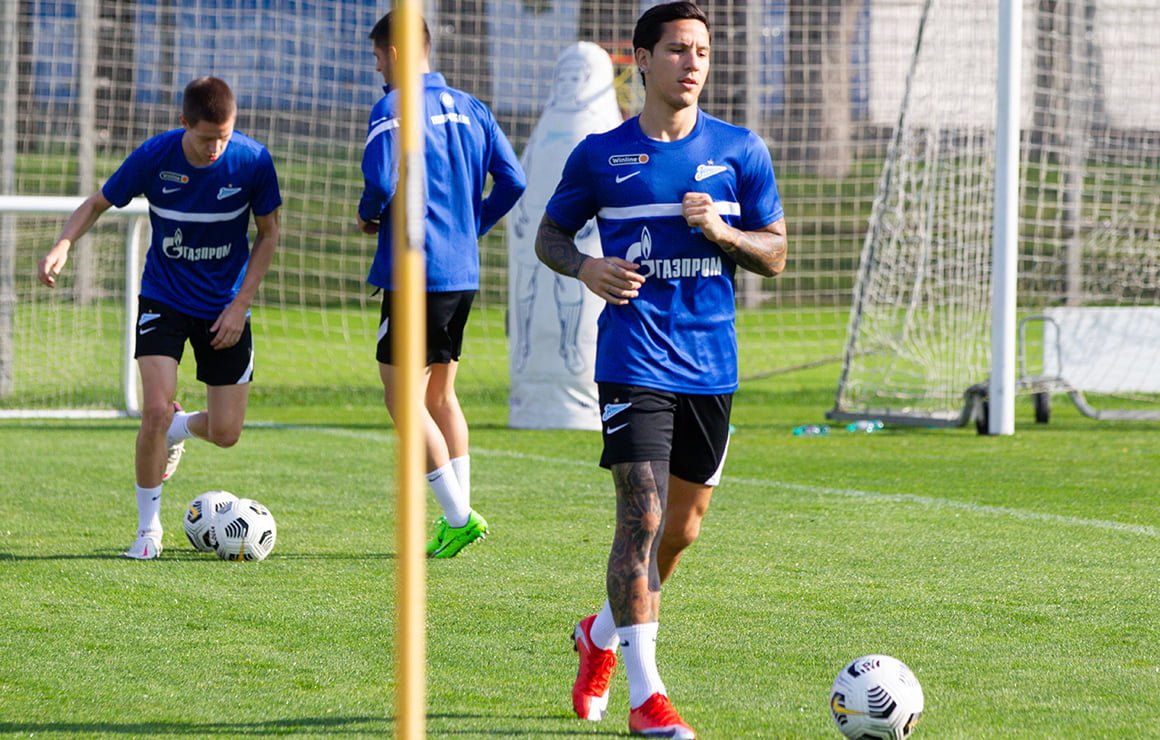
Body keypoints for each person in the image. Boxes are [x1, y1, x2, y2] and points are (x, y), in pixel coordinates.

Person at [535, 3, 787, 737]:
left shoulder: (740, 150)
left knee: (680, 531)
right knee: (640, 516)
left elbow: (775, 253)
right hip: (633, 358)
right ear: (642, 60)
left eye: (701, 51)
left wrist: (722, 231)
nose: (692, 63)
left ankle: (599, 635)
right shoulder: (601, 154)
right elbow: (550, 234)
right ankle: (648, 698)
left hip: (711, 366)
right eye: (678, 50)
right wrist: (586, 266)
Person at [37, 76, 282, 560]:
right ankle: (148, 531)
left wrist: (240, 306)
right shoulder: (155, 157)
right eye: (206, 137)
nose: (215, 148)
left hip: (224, 308)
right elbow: (97, 203)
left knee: (227, 433)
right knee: (153, 408)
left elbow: (269, 233)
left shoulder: (253, 161)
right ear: (183, 122)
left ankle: (178, 428)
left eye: (224, 136)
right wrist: (63, 244)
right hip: (163, 298)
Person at [357, 12, 526, 558]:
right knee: (441, 395)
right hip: (461, 271)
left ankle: (457, 516)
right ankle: (460, 514)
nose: (377, 68)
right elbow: (514, 180)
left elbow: (379, 180)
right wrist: (470, 226)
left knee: (402, 399)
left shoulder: (394, 107)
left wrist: (368, 213)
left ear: (397, 53)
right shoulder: (473, 108)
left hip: (416, 272)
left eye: (378, 57)